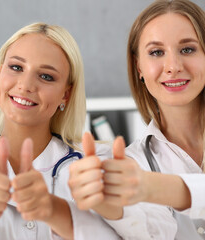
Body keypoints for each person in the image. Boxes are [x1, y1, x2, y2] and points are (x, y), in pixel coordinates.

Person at [0, 22, 121, 240]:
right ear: (0, 73)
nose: (26, 85)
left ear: (66, 94)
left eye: (46, 76)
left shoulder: (96, 167)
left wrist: (54, 211)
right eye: (16, 67)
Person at [72, 0, 205, 239]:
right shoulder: (135, 163)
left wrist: (151, 187)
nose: (173, 66)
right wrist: (110, 208)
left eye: (187, 49)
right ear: (139, 68)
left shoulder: (139, 177)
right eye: (156, 52)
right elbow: (151, 232)